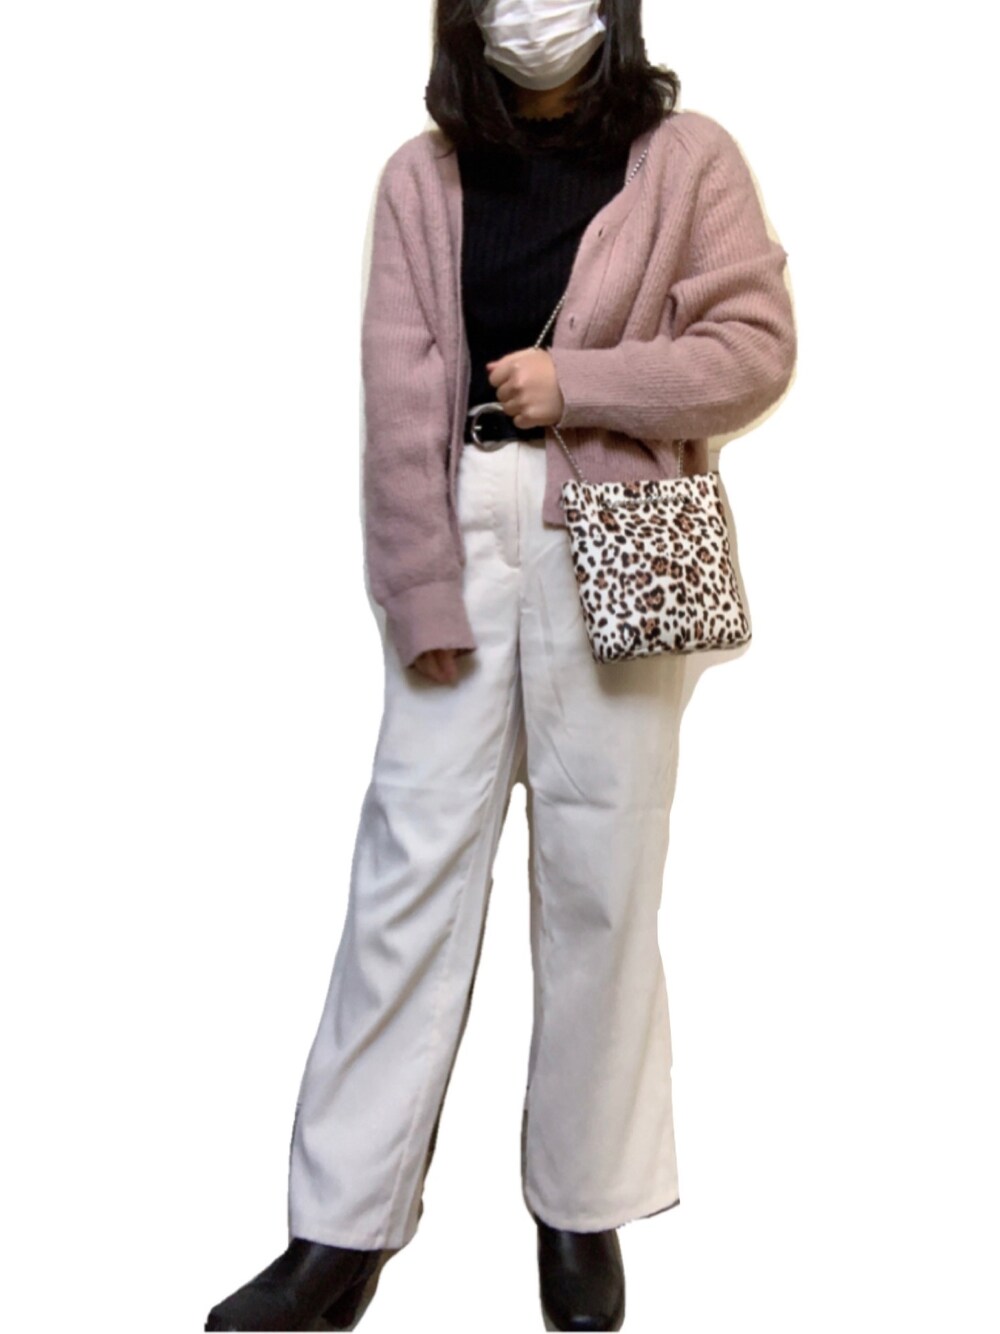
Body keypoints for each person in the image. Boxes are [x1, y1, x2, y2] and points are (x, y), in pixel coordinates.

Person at [205, 1, 797, 1329]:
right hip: (463, 516)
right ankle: (338, 1231)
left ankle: (583, 1210)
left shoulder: (690, 157)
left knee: (603, 879)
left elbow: (753, 350)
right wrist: (419, 583)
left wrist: (581, 383)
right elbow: (397, 396)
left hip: (623, 534)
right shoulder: (421, 176)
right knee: (406, 872)